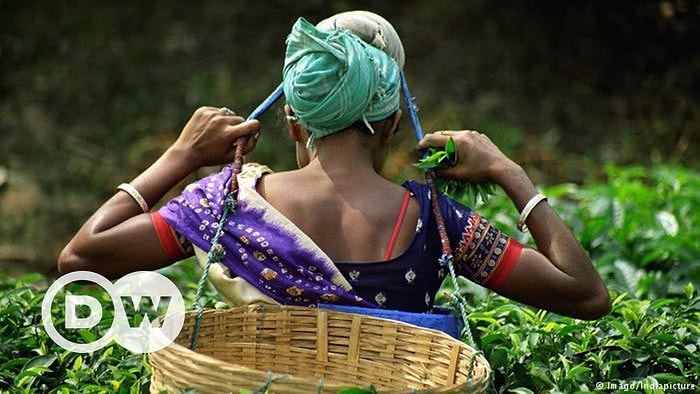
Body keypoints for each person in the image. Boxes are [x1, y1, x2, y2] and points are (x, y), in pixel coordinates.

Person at [58, 11, 610, 321]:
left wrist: (180, 157)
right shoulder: (437, 224)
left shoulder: (228, 204)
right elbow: (585, 295)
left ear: (295, 122)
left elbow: (81, 256)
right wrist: (508, 171)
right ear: (392, 125)